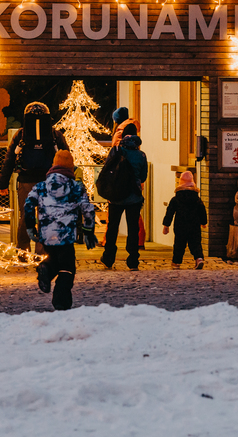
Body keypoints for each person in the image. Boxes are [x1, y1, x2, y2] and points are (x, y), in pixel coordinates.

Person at [24, 150, 97, 310]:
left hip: (46, 235)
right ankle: (61, 300)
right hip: (66, 235)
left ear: (53, 165)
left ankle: (46, 268)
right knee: (67, 267)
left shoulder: (41, 186)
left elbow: (28, 205)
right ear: (71, 167)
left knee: (55, 259)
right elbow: (88, 209)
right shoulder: (76, 187)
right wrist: (88, 230)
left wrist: (30, 226)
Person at [0, 102, 69, 251]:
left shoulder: (21, 134)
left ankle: (23, 251)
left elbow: (9, 159)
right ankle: (42, 252)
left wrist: (3, 184)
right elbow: (66, 157)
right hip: (49, 181)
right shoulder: (55, 135)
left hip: (26, 180)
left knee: (26, 216)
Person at [100, 122, 147, 270]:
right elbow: (143, 176)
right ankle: (133, 259)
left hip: (116, 196)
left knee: (112, 227)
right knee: (133, 228)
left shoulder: (116, 151)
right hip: (134, 197)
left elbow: (107, 169)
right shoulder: (141, 155)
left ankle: (108, 257)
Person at [107, 107, 146, 248]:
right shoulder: (140, 154)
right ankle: (136, 248)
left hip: (118, 187)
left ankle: (109, 250)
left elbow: (110, 165)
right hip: (134, 190)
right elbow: (143, 175)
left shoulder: (118, 140)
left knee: (113, 222)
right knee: (133, 222)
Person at [161, 171, 207, 269]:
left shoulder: (176, 199)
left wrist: (166, 225)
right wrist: (204, 222)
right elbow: (202, 210)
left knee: (179, 244)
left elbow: (170, 212)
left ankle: (176, 262)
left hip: (180, 225)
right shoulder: (196, 199)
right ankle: (199, 258)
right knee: (195, 243)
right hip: (194, 225)